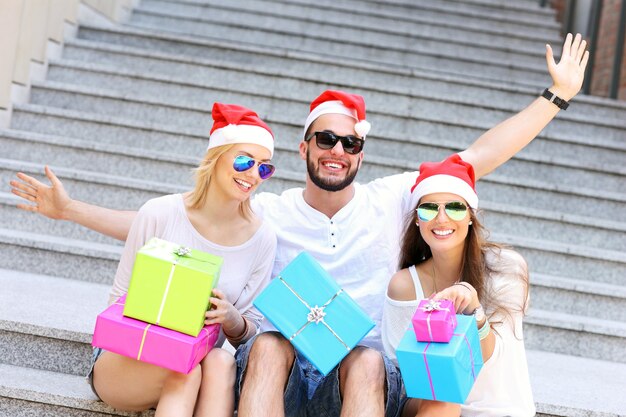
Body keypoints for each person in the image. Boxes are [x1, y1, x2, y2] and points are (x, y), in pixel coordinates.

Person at [11, 34, 588, 417]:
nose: (338, 150)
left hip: (361, 380)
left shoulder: (391, 200)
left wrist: (555, 97)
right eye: (326, 139)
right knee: (267, 342)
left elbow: (477, 157)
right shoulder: (271, 209)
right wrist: (71, 212)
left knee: (364, 355)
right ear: (305, 145)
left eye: (351, 143)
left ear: (361, 153)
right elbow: (175, 224)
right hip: (277, 370)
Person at [85, 103, 276, 416]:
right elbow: (117, 301)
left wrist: (229, 317)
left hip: (198, 359)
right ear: (215, 158)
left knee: (221, 360)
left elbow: (250, 332)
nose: (253, 174)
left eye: (264, 167)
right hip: (126, 357)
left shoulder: (262, 238)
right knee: (184, 370)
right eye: (244, 161)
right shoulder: (159, 214)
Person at [382, 154, 534, 417]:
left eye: (454, 207)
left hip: (498, 411)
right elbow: (407, 374)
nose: (441, 219)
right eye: (429, 209)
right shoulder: (404, 284)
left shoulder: (506, 268)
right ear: (417, 219)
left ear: (471, 217)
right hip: (432, 405)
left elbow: (488, 357)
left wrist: (473, 309)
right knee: (443, 396)